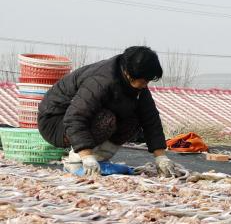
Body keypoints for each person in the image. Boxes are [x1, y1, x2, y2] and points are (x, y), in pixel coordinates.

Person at [38, 46, 178, 177]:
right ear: (129, 74)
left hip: (82, 119)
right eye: (143, 81)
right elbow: (75, 117)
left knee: (133, 119)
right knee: (107, 119)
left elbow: (150, 119)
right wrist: (87, 156)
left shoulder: (138, 85)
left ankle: (100, 158)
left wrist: (161, 157)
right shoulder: (102, 80)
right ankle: (75, 161)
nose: (145, 85)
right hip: (56, 122)